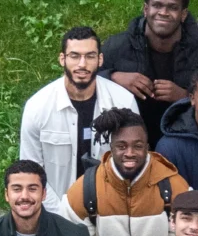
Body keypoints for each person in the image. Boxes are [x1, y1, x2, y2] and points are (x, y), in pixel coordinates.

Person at [21, 25, 140, 201]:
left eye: (90, 56)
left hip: (112, 205)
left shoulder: (123, 102)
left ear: (100, 59)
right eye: (74, 56)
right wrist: (61, 212)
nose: (82, 64)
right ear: (62, 59)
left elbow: (135, 161)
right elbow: (31, 170)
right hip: (57, 207)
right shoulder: (37, 107)